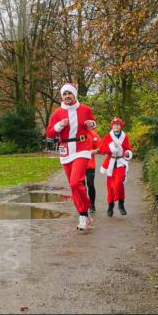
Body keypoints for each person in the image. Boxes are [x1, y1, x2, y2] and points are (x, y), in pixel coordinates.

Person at [45, 83, 97, 231]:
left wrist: (91, 123)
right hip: (65, 150)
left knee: (76, 182)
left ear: (74, 95)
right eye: (65, 94)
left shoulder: (85, 109)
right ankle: (85, 214)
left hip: (82, 147)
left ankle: (83, 215)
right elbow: (49, 133)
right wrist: (59, 126)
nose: (67, 96)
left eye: (70, 93)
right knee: (73, 186)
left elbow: (93, 123)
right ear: (62, 96)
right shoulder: (58, 113)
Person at [99, 117, 134, 216]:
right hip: (110, 163)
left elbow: (128, 149)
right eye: (114, 124)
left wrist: (127, 152)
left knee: (118, 182)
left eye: (118, 124)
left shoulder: (125, 137)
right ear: (112, 126)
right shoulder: (107, 137)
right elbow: (102, 149)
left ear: (121, 126)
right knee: (110, 186)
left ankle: (120, 204)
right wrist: (111, 148)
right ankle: (111, 206)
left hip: (120, 162)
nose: (116, 126)